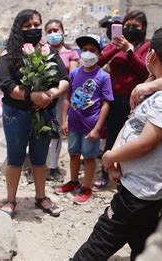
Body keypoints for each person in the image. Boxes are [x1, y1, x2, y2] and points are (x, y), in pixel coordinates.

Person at [71, 24, 162, 261]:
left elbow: (146, 143)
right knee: (142, 241)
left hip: (140, 193)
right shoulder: (160, 88)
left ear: (152, 55)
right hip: (138, 187)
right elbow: (132, 125)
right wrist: (115, 160)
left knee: (98, 245)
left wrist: (110, 157)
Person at [0, 9, 69, 218]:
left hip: (43, 114)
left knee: (39, 157)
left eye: (37, 25)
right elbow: (7, 85)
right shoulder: (10, 54)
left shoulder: (49, 52)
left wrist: (50, 93)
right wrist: (32, 96)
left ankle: (41, 196)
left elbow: (64, 79)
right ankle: (11, 200)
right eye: (28, 26)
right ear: (19, 29)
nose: (33, 29)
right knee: (15, 157)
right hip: (16, 114)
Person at [93, 10, 150, 190]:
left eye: (136, 26)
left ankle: (128, 178)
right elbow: (98, 62)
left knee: (131, 139)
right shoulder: (114, 44)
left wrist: (129, 52)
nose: (131, 29)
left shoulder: (147, 47)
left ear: (144, 29)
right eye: (127, 26)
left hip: (136, 101)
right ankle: (105, 174)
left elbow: (146, 71)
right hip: (114, 99)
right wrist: (115, 49)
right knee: (111, 139)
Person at [54, 34, 113, 205]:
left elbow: (106, 104)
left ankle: (86, 187)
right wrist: (64, 120)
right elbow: (67, 97)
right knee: (73, 153)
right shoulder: (74, 74)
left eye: (92, 50)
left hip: (91, 126)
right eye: (84, 50)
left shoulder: (103, 77)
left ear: (99, 54)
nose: (87, 53)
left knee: (88, 157)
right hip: (74, 124)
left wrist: (97, 129)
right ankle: (73, 181)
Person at [44, 19, 80, 182]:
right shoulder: (42, 51)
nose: (53, 34)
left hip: (60, 100)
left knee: (56, 133)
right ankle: (37, 165)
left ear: (63, 31)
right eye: (49, 31)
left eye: (56, 30)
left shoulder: (71, 54)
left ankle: (53, 166)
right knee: (39, 131)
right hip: (42, 98)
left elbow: (72, 78)